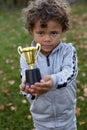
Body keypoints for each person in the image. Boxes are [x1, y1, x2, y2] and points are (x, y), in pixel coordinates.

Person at [19, 0, 78, 130]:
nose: (47, 39)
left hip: (66, 119)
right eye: (41, 33)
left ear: (62, 29)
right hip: (41, 121)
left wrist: (53, 81)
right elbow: (25, 77)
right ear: (31, 30)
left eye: (54, 33)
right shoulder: (26, 56)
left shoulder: (68, 51)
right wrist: (28, 88)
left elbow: (69, 73)